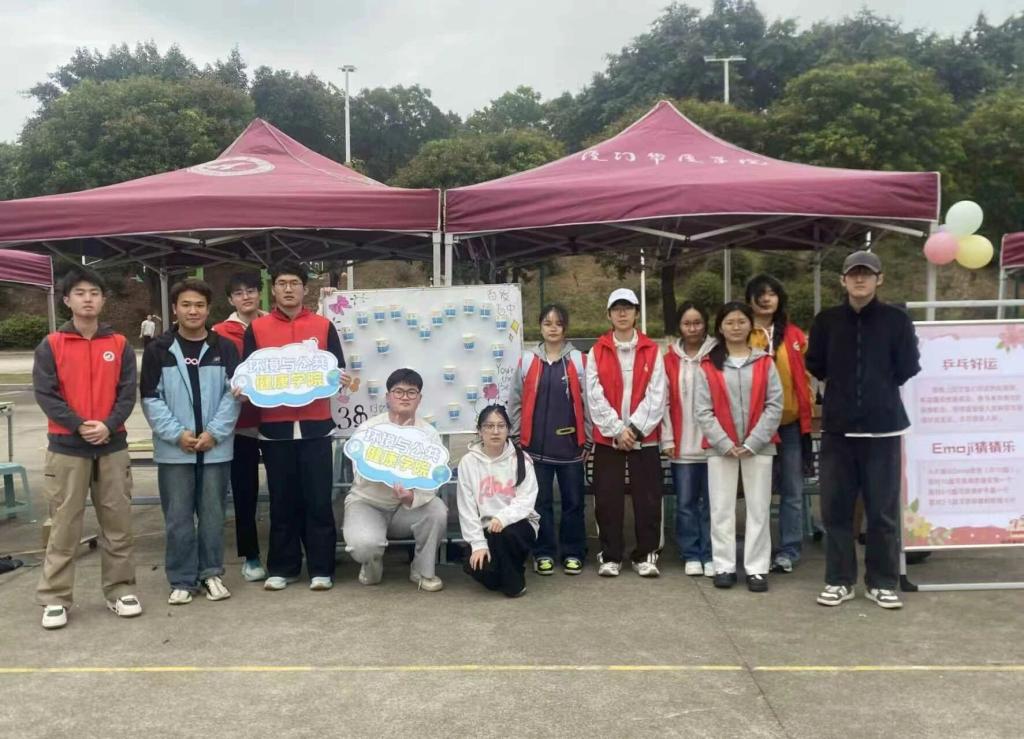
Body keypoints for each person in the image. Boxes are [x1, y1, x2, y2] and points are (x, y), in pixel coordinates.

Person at [806, 251, 920, 610]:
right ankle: (839, 581)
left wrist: (876, 391)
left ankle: (882, 583)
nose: (859, 280)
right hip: (838, 430)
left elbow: (907, 366)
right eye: (853, 274)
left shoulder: (896, 320)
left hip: (882, 430)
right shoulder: (826, 321)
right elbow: (816, 364)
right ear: (842, 280)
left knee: (882, 512)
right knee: (836, 511)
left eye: (866, 274)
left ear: (879, 279)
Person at [33, 267, 142, 629]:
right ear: (67, 300)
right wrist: (79, 424)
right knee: (64, 525)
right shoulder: (52, 344)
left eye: (94, 293)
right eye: (80, 293)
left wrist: (108, 425)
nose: (88, 299)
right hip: (67, 448)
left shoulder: (120, 344)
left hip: (111, 446)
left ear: (103, 299)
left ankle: (120, 589)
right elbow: (46, 394)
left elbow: (127, 393)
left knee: (118, 522)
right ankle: (55, 597)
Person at [242, 261, 345, 592]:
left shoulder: (323, 325)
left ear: (305, 288)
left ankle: (322, 568)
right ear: (273, 289)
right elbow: (248, 373)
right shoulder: (257, 329)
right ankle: (283, 567)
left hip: (317, 428)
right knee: (282, 500)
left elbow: (337, 370)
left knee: (318, 500)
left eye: (295, 283)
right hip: (275, 430)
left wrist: (339, 378)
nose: (288, 289)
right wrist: (242, 387)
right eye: (282, 283)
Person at [141, 278, 241, 605]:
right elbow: (150, 398)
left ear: (208, 309)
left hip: (215, 449)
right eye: (186, 304)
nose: (193, 311)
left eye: (199, 305)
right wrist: (176, 434)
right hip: (175, 451)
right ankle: (182, 579)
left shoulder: (224, 348)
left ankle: (211, 573)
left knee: (213, 515)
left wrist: (214, 433)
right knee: (178, 517)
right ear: (175, 309)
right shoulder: (158, 349)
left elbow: (234, 395)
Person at [695, 301, 782, 592]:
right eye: (729, 322)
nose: (735, 327)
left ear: (750, 326)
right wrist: (724, 443)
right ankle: (724, 566)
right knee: (721, 508)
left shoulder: (765, 362)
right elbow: (703, 410)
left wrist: (754, 441)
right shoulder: (708, 364)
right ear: (720, 327)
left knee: (758, 508)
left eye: (741, 321)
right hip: (721, 449)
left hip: (759, 447)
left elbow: (774, 405)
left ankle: (757, 569)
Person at [343, 368, 448, 592]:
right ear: (388, 396)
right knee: (364, 545)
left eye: (411, 392)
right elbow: (359, 471)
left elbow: (433, 480)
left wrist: (412, 497)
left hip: (406, 508)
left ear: (419, 398)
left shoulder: (428, 434)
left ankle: (422, 571)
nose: (404, 397)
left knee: (437, 510)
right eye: (398, 391)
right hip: (368, 503)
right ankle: (371, 568)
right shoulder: (370, 428)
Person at [586, 288, 666, 578]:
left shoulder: (653, 350)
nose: (622, 313)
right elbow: (593, 395)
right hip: (609, 440)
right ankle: (611, 556)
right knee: (608, 499)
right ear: (609, 315)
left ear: (636, 313)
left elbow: (657, 395)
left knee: (648, 499)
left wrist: (634, 430)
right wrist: (617, 430)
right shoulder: (597, 351)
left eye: (628, 308)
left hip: (645, 439)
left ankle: (645, 555)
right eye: (617, 309)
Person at [507, 303, 590, 576]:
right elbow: (515, 402)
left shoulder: (579, 360)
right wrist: (516, 437)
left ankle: (573, 552)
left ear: (565, 328)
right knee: (540, 503)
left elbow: (590, 403)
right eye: (547, 323)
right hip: (535, 448)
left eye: (558, 323)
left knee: (573, 502)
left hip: (572, 447)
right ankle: (543, 552)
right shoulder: (527, 361)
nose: (553, 328)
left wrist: (588, 439)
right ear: (540, 327)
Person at [745, 274, 814, 574]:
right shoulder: (742, 332)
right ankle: (756, 549)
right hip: (754, 428)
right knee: (755, 493)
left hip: (790, 424)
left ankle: (789, 550)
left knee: (792, 491)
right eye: (760, 293)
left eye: (772, 293)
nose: (766, 298)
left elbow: (808, 372)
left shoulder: (795, 335)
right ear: (749, 299)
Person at [213, 271, 268, 582]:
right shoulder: (220, 333)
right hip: (240, 425)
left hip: (274, 421)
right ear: (230, 300)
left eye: (251, 291)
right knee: (245, 492)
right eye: (238, 293)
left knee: (284, 490)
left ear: (260, 293)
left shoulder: (272, 324)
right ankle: (251, 556)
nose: (246, 297)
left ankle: (287, 551)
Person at [458, 405, 540, 597]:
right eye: (489, 426)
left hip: (518, 525)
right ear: (479, 431)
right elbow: (467, 508)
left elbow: (526, 500)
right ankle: (502, 573)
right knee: (474, 565)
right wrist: (478, 544)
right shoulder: (468, 462)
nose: (495, 431)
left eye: (501, 426)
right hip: (486, 528)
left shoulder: (521, 460)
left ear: (508, 430)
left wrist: (503, 518)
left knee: (504, 536)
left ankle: (515, 584)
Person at [661, 301, 717, 578]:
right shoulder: (669, 359)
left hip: (714, 445)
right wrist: (668, 439)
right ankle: (691, 553)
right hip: (682, 445)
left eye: (697, 323)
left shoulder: (718, 354)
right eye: (687, 323)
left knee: (712, 504)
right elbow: (664, 403)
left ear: (705, 324)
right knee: (685, 504)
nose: (692, 328)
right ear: (679, 327)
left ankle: (711, 553)